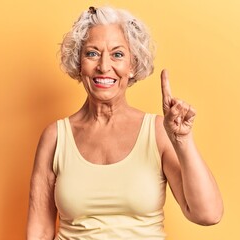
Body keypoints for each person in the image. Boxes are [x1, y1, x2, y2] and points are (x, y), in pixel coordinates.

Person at [26, 6, 223, 240]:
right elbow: (40, 230)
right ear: (79, 63)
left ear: (133, 66)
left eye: (117, 54)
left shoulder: (159, 132)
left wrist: (182, 140)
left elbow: (207, 214)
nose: (104, 66)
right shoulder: (55, 137)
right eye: (92, 53)